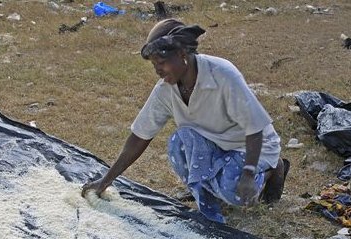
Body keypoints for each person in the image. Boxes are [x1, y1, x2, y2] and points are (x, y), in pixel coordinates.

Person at [82, 19, 288, 224]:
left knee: (234, 192)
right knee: (178, 142)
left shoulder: (223, 75)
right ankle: (209, 193)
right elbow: (140, 136)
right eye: (154, 65)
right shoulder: (166, 89)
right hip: (214, 143)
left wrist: (249, 173)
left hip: (250, 146)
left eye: (161, 63)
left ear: (182, 55)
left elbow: (254, 128)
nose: (158, 71)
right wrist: (106, 180)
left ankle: (273, 170)